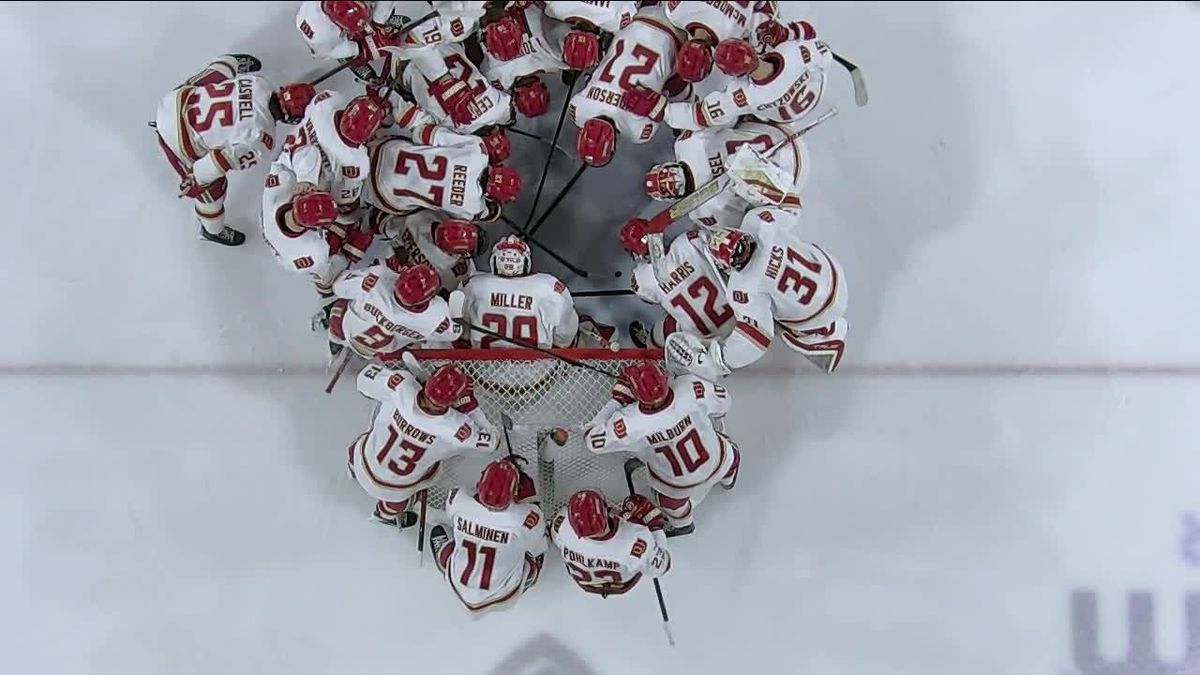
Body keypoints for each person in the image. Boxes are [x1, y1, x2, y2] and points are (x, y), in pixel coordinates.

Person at [152, 54, 314, 246]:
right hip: (177, 139)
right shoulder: (261, 139)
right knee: (213, 191)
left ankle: (231, 61)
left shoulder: (259, 83)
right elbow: (217, 161)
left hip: (175, 101)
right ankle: (211, 231)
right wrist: (196, 179)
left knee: (211, 81)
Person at [583, 363, 738, 536]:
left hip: (677, 487)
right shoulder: (690, 387)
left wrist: (617, 401)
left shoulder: (630, 421)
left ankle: (683, 524)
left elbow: (592, 440)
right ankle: (728, 479)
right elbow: (725, 403)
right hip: (718, 461)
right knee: (731, 454)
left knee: (670, 503)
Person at [348, 362, 499, 525]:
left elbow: (363, 380)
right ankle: (384, 515)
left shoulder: (402, 385)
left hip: (363, 461)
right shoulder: (456, 427)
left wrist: (413, 381)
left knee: (367, 441)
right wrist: (470, 407)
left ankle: (352, 469)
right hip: (396, 489)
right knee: (403, 497)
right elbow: (490, 443)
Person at [429, 459, 548, 614]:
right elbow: (534, 533)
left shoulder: (460, 500)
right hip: (504, 595)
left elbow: (467, 502)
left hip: (457, 585)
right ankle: (529, 578)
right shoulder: (523, 518)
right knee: (535, 547)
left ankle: (444, 558)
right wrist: (527, 496)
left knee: (448, 549)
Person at [552, 489, 671, 597]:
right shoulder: (636, 539)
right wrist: (655, 527)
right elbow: (662, 567)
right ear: (605, 512)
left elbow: (556, 539)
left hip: (584, 582)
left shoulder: (562, 524)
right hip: (623, 583)